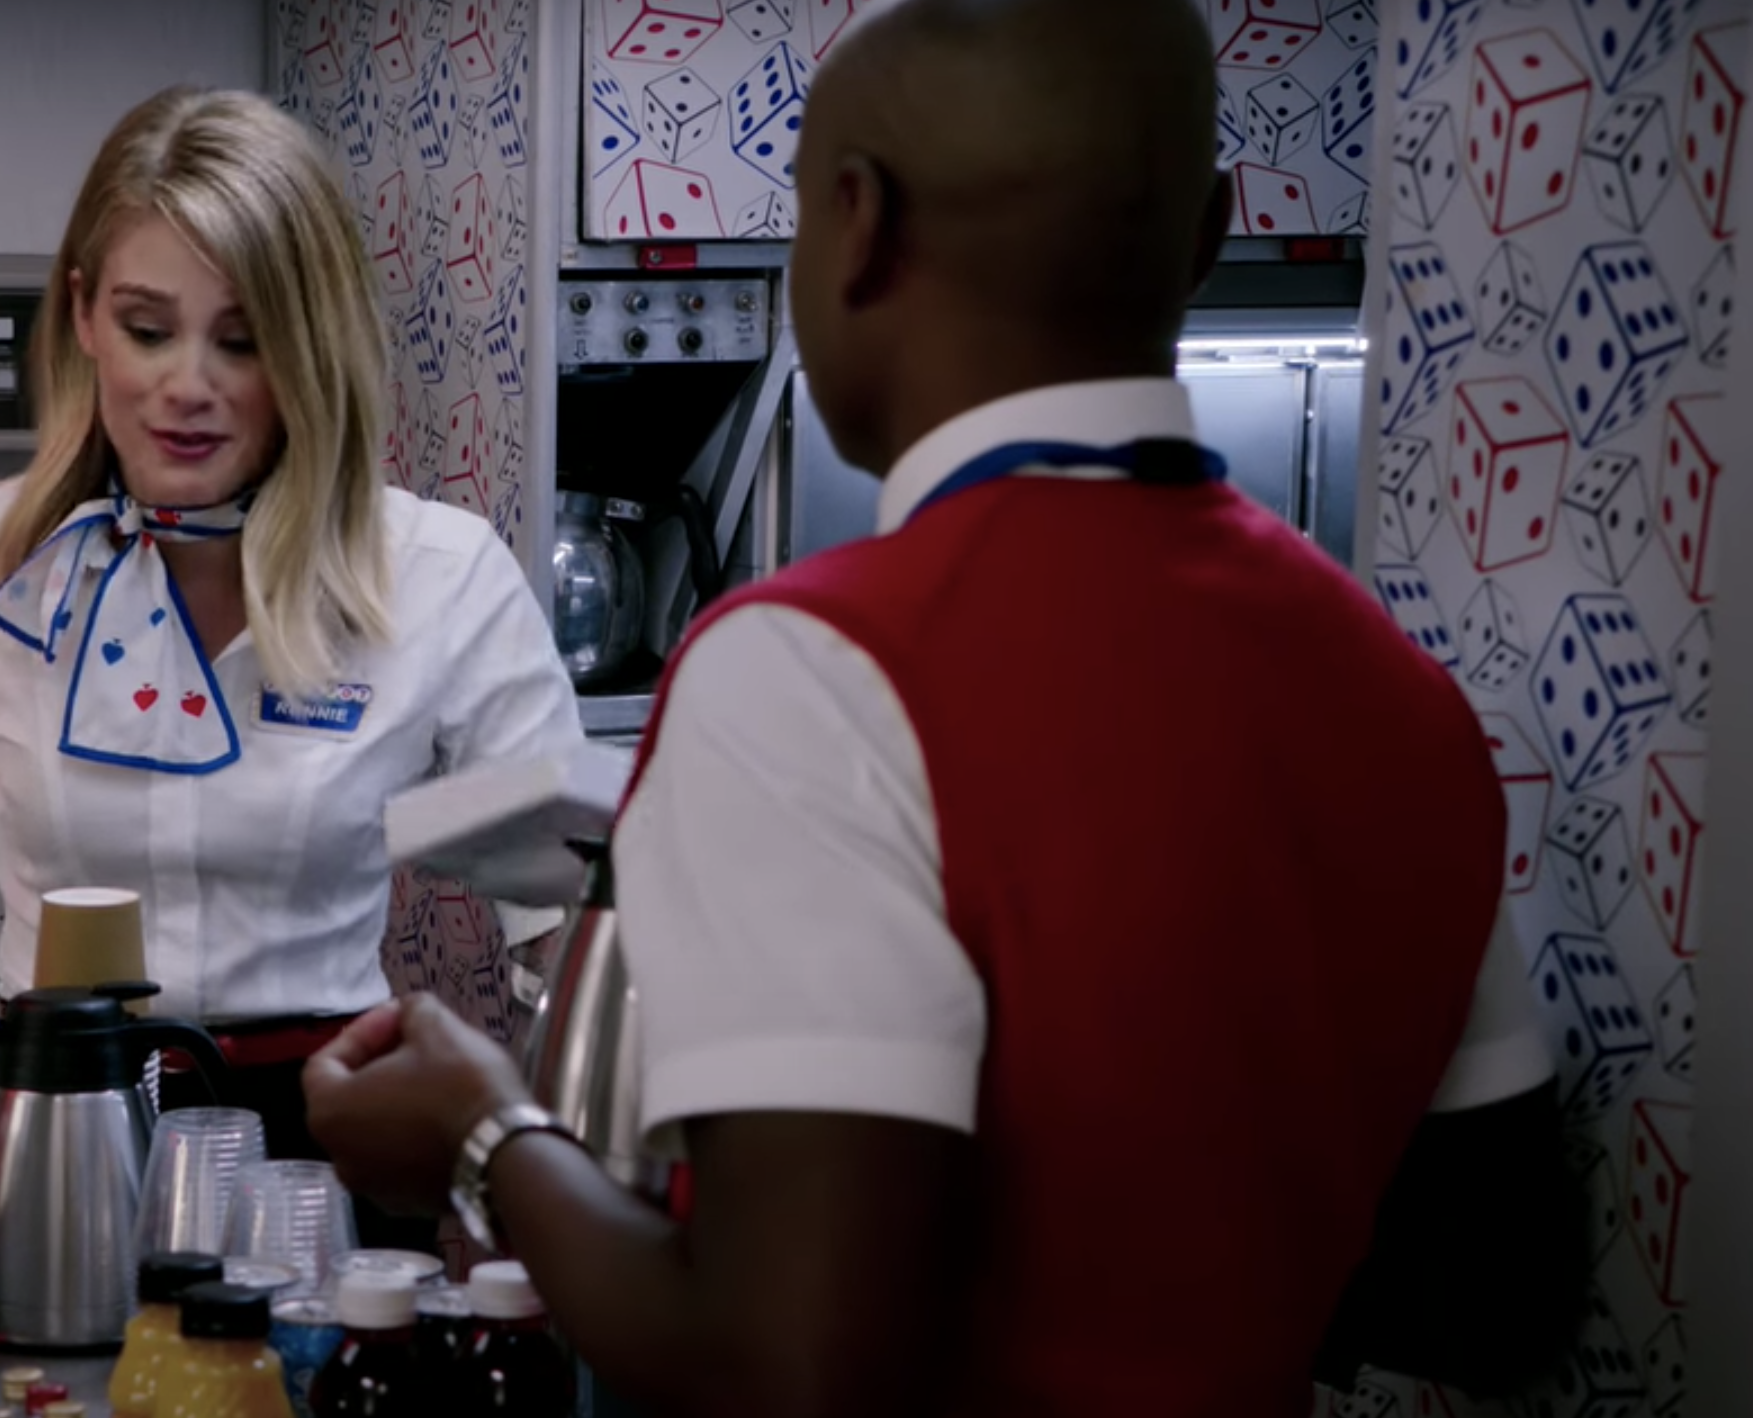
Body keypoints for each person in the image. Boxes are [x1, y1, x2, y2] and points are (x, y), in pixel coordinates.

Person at [304, 1, 1585, 1413]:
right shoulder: (1403, 701)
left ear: (853, 223)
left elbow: (787, 1360)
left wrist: (480, 1131)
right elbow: (1490, 1286)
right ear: (1209, 230)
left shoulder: (805, 667)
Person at [0, 87, 580, 1173]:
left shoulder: (442, 578)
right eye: (147, 329)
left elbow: (567, 924)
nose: (187, 388)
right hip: (56, 1127)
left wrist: (558, 1167)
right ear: (82, 316)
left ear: (307, 350)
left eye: (242, 340)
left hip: (323, 1137)